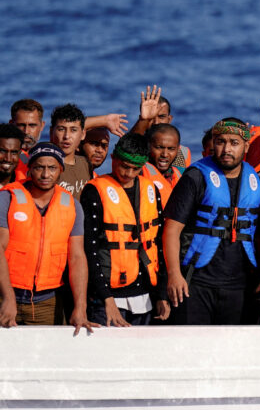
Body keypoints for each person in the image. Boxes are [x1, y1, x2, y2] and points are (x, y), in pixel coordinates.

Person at [163, 119, 260, 325]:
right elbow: (171, 230)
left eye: (234, 143)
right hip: (195, 283)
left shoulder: (256, 183)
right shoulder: (195, 177)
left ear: (246, 146)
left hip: (240, 286)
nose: (226, 149)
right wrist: (174, 275)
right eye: (221, 142)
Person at [0, 142, 94, 332]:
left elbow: (77, 257)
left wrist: (80, 306)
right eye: (39, 167)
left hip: (47, 303)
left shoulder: (73, 206)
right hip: (4, 296)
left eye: (51, 168)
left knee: (45, 360)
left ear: (60, 170)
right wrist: (8, 298)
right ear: (29, 169)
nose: (45, 174)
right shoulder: (7, 198)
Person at [80, 133, 169, 326]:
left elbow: (159, 244)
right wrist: (107, 299)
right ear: (113, 158)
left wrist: (162, 294)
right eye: (124, 166)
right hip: (108, 297)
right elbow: (89, 249)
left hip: (145, 295)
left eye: (135, 169)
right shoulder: (94, 191)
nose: (128, 173)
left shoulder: (151, 190)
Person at [49, 104, 93, 198]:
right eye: (61, 129)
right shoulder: (45, 165)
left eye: (73, 130)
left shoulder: (85, 163)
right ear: (51, 132)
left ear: (83, 134)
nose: (66, 136)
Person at [142, 123, 184, 202]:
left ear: (178, 150)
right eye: (159, 148)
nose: (165, 154)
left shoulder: (178, 175)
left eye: (171, 149)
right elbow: (128, 153)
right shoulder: (139, 170)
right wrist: (143, 121)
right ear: (148, 146)